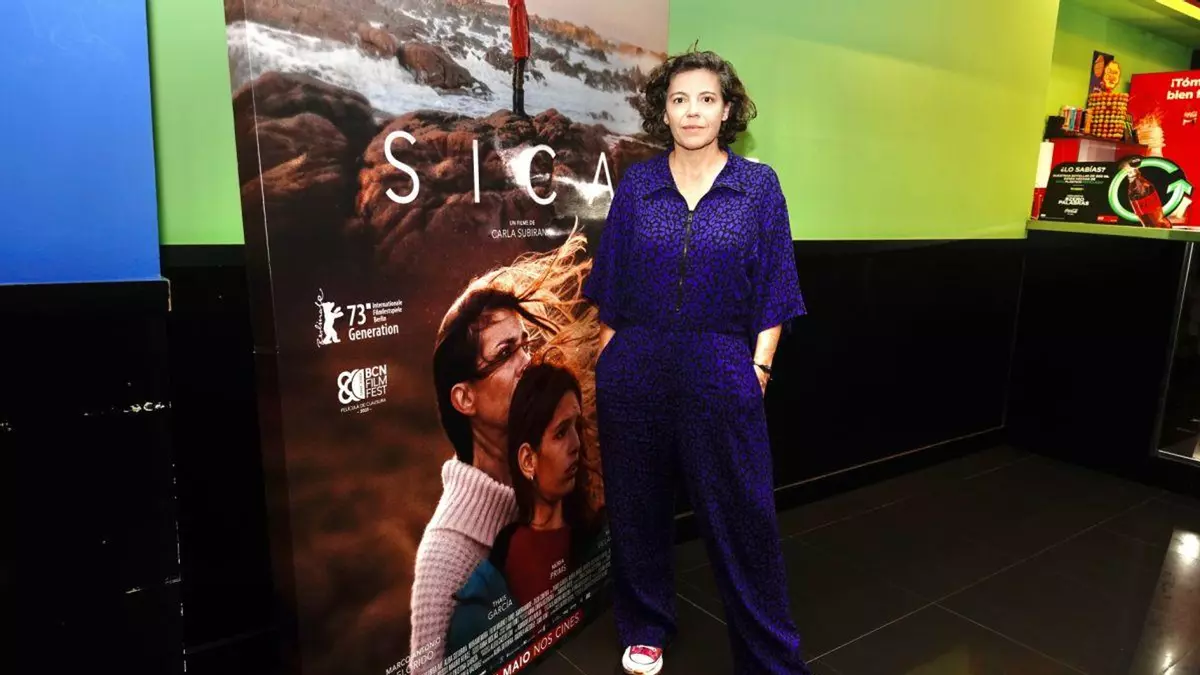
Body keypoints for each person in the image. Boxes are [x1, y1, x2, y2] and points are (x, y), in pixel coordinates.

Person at [583, 49, 811, 675]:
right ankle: (646, 625)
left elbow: (775, 285)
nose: (692, 111)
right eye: (679, 99)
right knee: (637, 506)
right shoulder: (639, 185)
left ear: (727, 110)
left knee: (745, 518)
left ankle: (770, 657)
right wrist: (608, 363)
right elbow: (613, 284)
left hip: (721, 363)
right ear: (663, 111)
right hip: (636, 365)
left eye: (706, 99)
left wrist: (759, 368)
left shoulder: (757, 188)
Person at [409, 233, 603, 670]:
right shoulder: (446, 554)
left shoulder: (550, 475)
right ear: (465, 399)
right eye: (506, 352)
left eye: (525, 344)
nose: (528, 361)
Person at [445, 355, 605, 656]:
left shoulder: (596, 538)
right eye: (561, 433)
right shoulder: (495, 576)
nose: (576, 444)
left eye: (577, 427)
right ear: (528, 460)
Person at [507, 0, 531, 118]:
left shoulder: (513, 4)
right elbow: (521, 27)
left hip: (516, 44)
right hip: (520, 46)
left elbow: (515, 26)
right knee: (519, 78)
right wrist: (524, 49)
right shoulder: (519, 3)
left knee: (516, 75)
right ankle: (520, 111)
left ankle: (515, 108)